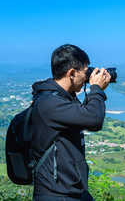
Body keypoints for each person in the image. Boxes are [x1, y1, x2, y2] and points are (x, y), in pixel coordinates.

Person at [31, 44, 111, 201]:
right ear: (72, 73)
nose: (87, 76)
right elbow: (95, 117)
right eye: (85, 71)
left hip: (72, 190)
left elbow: (93, 123)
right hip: (55, 194)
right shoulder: (50, 103)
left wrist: (94, 91)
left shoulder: (63, 98)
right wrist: (96, 89)